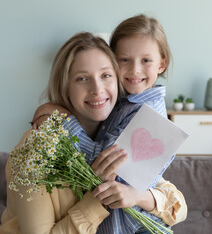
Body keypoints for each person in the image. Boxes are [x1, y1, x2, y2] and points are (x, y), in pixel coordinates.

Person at [31, 14, 187, 233]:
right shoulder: (126, 102)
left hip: (126, 223)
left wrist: (63, 120)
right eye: (125, 60)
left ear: (162, 64)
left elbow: (102, 165)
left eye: (146, 60)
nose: (134, 70)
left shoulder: (151, 114)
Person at [0, 32, 127, 234]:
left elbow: (174, 202)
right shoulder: (38, 146)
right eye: (82, 78)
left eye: (106, 75)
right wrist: (96, 194)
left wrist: (144, 198)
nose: (97, 89)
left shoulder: (117, 137)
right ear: (65, 88)